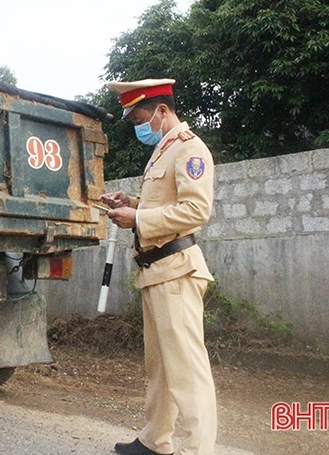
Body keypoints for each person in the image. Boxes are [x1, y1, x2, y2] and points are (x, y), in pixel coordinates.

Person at [100, 79, 217, 455]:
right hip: (157, 271)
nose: (138, 127)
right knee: (162, 367)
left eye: (139, 119)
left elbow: (195, 210)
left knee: (187, 369)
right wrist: (130, 202)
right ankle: (155, 440)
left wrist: (137, 218)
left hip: (176, 270)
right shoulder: (163, 150)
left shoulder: (190, 148)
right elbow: (163, 203)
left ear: (162, 111)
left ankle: (198, 449)